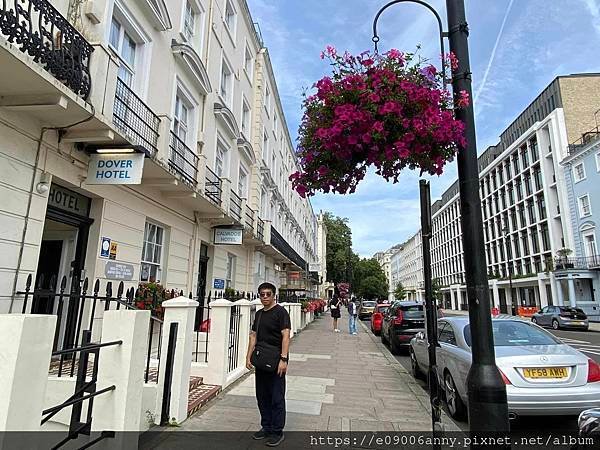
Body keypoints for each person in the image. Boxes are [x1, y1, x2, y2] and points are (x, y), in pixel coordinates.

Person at [246, 282, 291, 447]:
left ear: (274, 295)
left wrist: (284, 359)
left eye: (268, 294)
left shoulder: (281, 312)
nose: (265, 297)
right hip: (261, 360)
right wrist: (247, 357)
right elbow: (253, 336)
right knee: (262, 395)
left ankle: (277, 431)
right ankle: (266, 426)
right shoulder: (258, 314)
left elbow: (286, 336)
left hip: (276, 360)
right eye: (262, 294)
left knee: (276, 397)